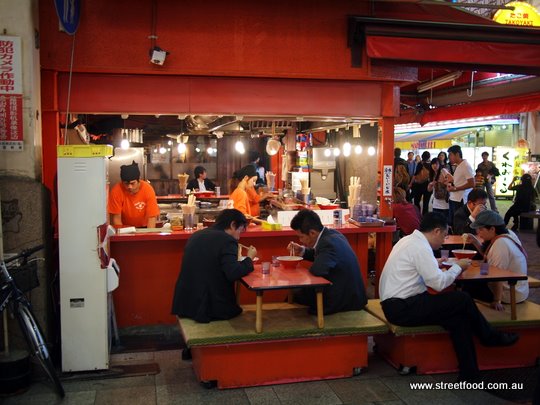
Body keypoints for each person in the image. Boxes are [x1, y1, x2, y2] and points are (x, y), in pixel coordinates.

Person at [379, 212, 519, 382]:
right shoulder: (420, 247)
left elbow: (417, 271)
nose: (444, 240)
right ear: (436, 231)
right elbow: (438, 284)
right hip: (403, 308)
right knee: (462, 299)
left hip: (397, 305)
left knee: (458, 319)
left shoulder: (409, 241)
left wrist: (436, 264)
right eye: (444, 235)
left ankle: (469, 374)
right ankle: (489, 337)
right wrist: (458, 267)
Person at [171, 209, 256, 323]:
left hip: (186, 304)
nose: (239, 237)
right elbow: (233, 273)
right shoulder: (227, 240)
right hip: (210, 307)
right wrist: (249, 258)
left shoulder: (197, 235)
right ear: (233, 224)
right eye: (240, 230)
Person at [287, 209, 367, 315]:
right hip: (351, 295)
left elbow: (317, 271)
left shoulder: (328, 244)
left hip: (345, 300)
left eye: (301, 237)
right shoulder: (332, 234)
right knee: (296, 293)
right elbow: (322, 255)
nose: (300, 240)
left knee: (294, 293)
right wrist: (302, 251)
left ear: (312, 233)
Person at [463, 210, 528, 311]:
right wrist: (475, 242)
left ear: (492, 229)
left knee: (466, 285)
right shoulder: (509, 234)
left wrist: (497, 300)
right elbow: (488, 254)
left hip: (509, 294)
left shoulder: (500, 244)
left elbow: (497, 276)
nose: (478, 232)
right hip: (521, 290)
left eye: (481, 229)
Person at [108, 161, 160, 228]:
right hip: (124, 227)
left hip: (144, 227)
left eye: (132, 183)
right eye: (126, 184)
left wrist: (149, 233)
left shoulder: (147, 189)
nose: (129, 187)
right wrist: (121, 232)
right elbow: (116, 218)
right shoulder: (116, 191)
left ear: (139, 180)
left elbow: (152, 217)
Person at [447, 145, 475, 229]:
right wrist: (451, 182)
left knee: (458, 224)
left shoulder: (465, 165)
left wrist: (455, 188)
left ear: (457, 154)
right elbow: (460, 181)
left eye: (450, 155)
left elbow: (472, 183)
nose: (449, 157)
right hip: (454, 198)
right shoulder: (459, 165)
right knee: (452, 223)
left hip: (459, 200)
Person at [410, 151, 432, 215]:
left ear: (422, 156)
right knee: (426, 203)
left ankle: (417, 215)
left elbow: (415, 174)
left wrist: (411, 183)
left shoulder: (420, 164)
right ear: (429, 157)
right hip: (428, 184)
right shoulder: (431, 164)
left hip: (418, 185)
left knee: (416, 201)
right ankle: (425, 217)